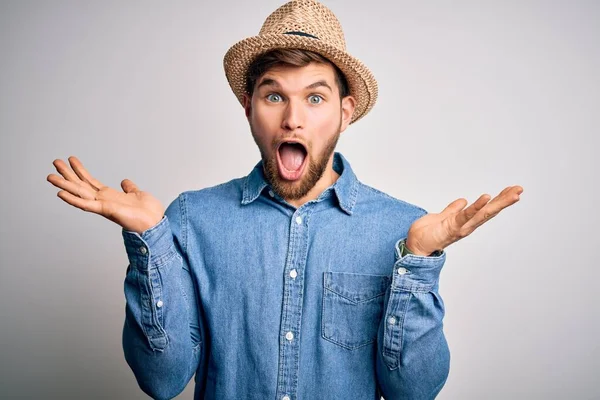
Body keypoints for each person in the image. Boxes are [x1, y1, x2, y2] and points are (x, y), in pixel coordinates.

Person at [46, 0, 523, 399]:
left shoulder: (404, 230)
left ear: (344, 112)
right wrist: (149, 239)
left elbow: (413, 391)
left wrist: (417, 261)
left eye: (315, 98)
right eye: (274, 97)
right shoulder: (193, 219)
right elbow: (162, 381)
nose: (293, 119)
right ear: (248, 107)